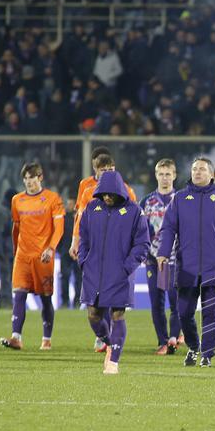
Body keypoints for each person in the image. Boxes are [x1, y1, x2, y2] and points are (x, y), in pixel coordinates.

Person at [156, 157, 215, 367]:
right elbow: (168, 228)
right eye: (194, 169)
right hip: (187, 265)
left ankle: (206, 355)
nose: (197, 172)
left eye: (201, 169)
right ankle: (193, 347)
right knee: (184, 313)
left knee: (210, 313)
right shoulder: (180, 198)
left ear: (211, 174)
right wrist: (163, 252)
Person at [78, 170, 150, 374]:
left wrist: (127, 266)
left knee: (118, 314)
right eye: (104, 193)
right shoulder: (92, 208)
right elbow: (84, 237)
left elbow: (143, 243)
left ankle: (114, 362)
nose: (107, 197)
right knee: (93, 315)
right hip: (93, 271)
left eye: (111, 193)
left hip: (120, 272)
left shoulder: (134, 211)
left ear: (119, 191)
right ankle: (110, 343)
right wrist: (84, 260)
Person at [69, 148, 137, 352]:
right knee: (95, 303)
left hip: (116, 253)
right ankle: (104, 337)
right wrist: (76, 242)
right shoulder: (86, 187)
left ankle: (110, 344)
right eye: (103, 169)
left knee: (113, 302)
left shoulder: (127, 190)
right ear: (95, 169)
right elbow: (80, 216)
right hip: (95, 250)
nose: (107, 172)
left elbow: (133, 221)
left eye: (111, 169)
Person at [0, 163, 64, 351]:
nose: (28, 182)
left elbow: (59, 228)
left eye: (32, 177)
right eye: (25, 178)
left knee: (45, 298)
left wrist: (51, 248)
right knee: (19, 295)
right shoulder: (17, 200)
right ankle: (16, 338)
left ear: (40, 178)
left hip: (43, 256)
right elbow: (16, 228)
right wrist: (15, 251)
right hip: (23, 256)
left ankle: (46, 339)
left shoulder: (53, 199)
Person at [139, 158, 181, 355]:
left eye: (168, 174)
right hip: (153, 259)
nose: (164, 178)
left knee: (176, 301)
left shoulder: (181, 199)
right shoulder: (146, 202)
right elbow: (140, 231)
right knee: (156, 302)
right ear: (156, 176)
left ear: (174, 175)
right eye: (161, 174)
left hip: (175, 259)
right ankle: (163, 341)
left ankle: (173, 338)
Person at [0, 187, 15, 308]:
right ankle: (6, 302)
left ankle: (0, 303)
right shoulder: (1, 212)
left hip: (9, 251)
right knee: (6, 277)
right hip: (4, 251)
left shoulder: (7, 211)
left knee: (7, 277)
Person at [57, 197, 81, 309]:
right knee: (64, 277)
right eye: (68, 203)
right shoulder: (63, 218)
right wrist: (59, 249)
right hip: (65, 252)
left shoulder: (80, 217)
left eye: (71, 203)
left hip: (78, 253)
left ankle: (77, 301)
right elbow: (58, 234)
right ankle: (65, 301)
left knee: (79, 278)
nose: (68, 206)